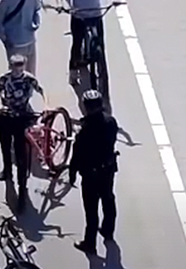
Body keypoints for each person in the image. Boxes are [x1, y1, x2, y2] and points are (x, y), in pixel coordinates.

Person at [69, 89, 119, 255]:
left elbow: (77, 153)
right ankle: (108, 230)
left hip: (90, 173)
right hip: (108, 169)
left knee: (91, 209)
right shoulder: (111, 122)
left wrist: (72, 172)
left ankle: (90, 243)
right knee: (108, 199)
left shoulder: (85, 130)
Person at [59, 0, 124, 76]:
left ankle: (102, 72)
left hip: (95, 15)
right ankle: (73, 71)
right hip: (78, 15)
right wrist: (63, 6)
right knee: (77, 44)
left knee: (100, 43)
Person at [0, 53, 44, 206]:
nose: (18, 68)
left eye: (20, 65)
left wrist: (45, 105)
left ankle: (22, 186)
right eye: (15, 65)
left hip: (22, 116)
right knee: (5, 146)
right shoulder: (4, 78)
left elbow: (41, 91)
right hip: (6, 115)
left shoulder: (29, 79)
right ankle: (7, 169)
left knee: (21, 154)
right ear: (10, 65)